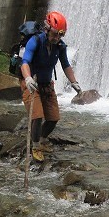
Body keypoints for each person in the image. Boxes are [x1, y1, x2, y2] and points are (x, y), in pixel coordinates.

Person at [20, 11, 82, 162]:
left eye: (60, 35)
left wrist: (74, 82)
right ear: (47, 29)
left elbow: (66, 65)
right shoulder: (35, 41)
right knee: (37, 115)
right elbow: (25, 62)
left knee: (53, 118)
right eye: (55, 34)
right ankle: (35, 147)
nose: (57, 38)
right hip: (31, 83)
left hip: (47, 84)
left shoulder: (60, 46)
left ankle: (41, 139)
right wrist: (27, 78)